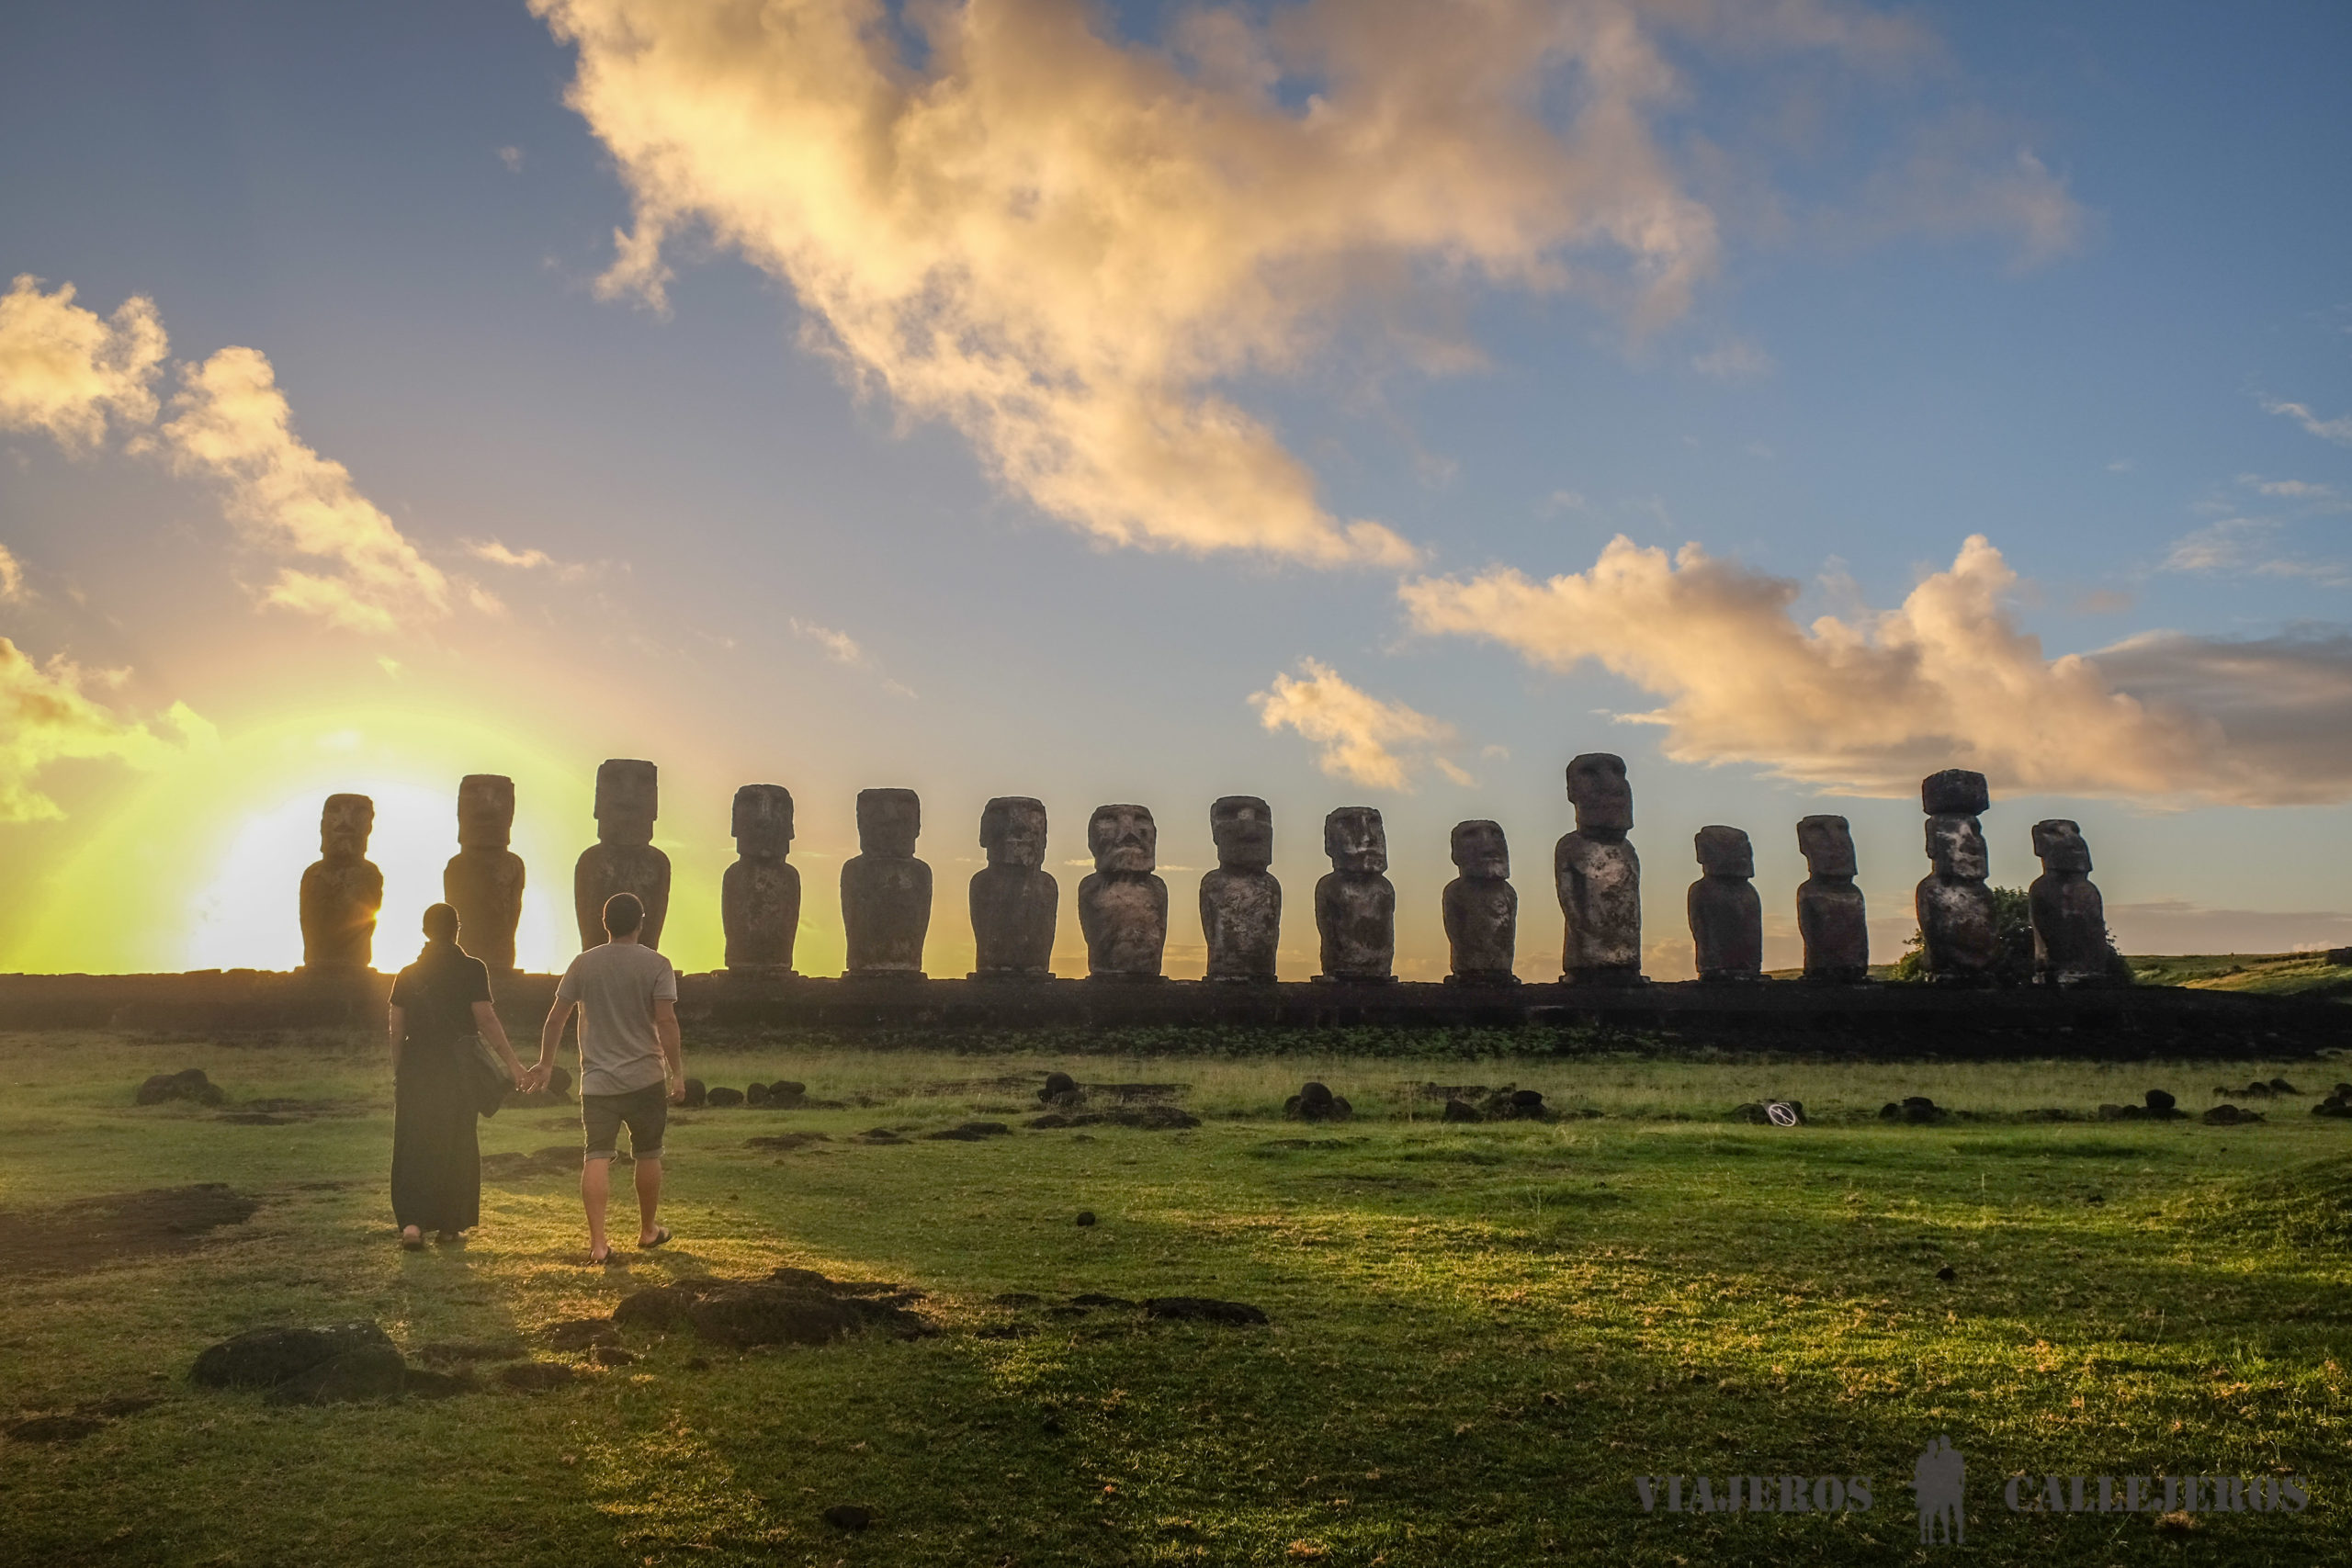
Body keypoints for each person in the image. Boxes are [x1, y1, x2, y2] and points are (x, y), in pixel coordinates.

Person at [535, 891, 685, 1264]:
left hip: (598, 1079)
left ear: (604, 924)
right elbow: (665, 1020)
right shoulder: (657, 964)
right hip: (646, 1076)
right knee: (648, 1154)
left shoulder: (583, 964)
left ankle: (599, 1243)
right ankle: (648, 1230)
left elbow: (556, 1017)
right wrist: (677, 1071)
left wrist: (546, 1064)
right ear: (641, 922)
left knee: (596, 1156)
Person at [388, 903, 527, 1249]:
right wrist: (512, 1064)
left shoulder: (407, 973)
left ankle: (412, 1225)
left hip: (417, 1067)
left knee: (414, 1144)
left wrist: (399, 1070)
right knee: (457, 1143)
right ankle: (450, 1226)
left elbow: (395, 1028)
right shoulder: (472, 969)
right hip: (457, 1070)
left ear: (424, 931)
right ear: (457, 930)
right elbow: (486, 1020)